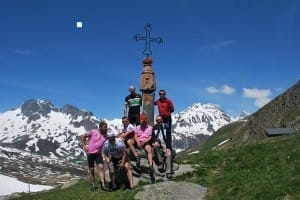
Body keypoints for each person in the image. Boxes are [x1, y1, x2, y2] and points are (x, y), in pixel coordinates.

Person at [81, 121, 108, 191]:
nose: (106, 129)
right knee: (91, 169)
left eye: (106, 127)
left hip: (98, 154)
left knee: (101, 167)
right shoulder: (93, 131)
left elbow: (113, 137)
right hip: (90, 153)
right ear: (100, 127)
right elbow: (83, 136)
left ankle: (103, 185)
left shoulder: (106, 135)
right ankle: (92, 185)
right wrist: (84, 145)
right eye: (105, 127)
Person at [134, 114, 155, 183]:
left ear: (146, 121)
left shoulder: (150, 128)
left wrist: (144, 142)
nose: (143, 122)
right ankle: (137, 158)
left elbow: (150, 137)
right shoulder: (137, 127)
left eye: (144, 121)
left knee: (149, 149)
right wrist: (138, 142)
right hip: (139, 141)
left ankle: (151, 165)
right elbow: (136, 136)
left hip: (145, 141)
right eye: (142, 121)